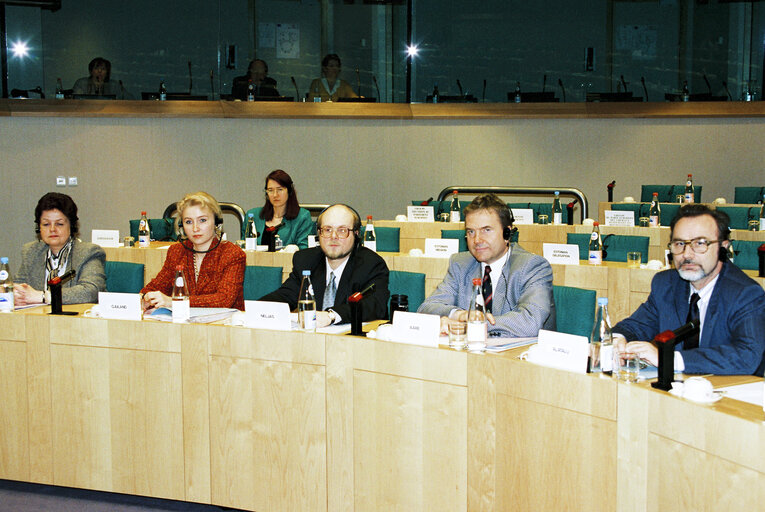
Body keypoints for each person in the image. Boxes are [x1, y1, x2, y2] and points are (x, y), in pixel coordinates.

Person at [614, 204, 765, 375]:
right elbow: (636, 326)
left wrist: (670, 359)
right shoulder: (666, 284)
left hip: (731, 394)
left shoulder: (745, 293)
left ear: (723, 248)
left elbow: (747, 355)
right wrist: (618, 339)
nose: (687, 254)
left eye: (700, 243)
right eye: (679, 244)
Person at [418, 193, 555, 337]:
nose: (477, 240)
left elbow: (530, 322)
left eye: (486, 230)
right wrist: (459, 315)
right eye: (471, 231)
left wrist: (473, 324)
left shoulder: (533, 266)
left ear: (507, 233)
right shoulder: (460, 264)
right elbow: (426, 308)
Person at [259, 204, 389, 327]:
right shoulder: (306, 260)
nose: (333, 236)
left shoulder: (371, 264)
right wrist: (256, 308)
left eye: (342, 230)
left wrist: (331, 316)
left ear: (356, 234)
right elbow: (286, 295)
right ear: (319, 234)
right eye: (327, 230)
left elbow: (375, 305)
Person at [141, 192, 246, 311]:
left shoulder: (232, 253)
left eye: (202, 220)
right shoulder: (176, 251)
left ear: (217, 222)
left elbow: (224, 299)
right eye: (189, 222)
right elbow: (156, 287)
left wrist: (174, 302)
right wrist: (145, 298)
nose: (195, 228)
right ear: (181, 226)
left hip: (223, 326)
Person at [14, 192, 106, 305]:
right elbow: (19, 288)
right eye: (46, 224)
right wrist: (14, 294)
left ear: (71, 226)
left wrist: (43, 296)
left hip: (74, 320)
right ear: (39, 227)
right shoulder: (30, 252)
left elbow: (91, 291)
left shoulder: (88, 252)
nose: (52, 229)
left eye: (59, 224)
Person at [241, 169, 313, 250]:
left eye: (280, 189)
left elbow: (304, 250)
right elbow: (243, 248)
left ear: (289, 191)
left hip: (287, 262)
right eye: (270, 190)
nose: (275, 195)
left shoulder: (302, 217)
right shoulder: (253, 216)